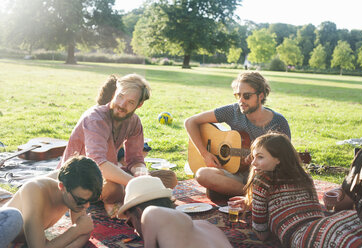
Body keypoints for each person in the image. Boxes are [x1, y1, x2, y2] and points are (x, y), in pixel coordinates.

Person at [56, 74, 177, 217]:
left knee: (170, 178)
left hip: (110, 173)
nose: (121, 105)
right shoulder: (95, 118)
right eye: (120, 96)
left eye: (130, 102)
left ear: (139, 105)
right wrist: (136, 183)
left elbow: (136, 159)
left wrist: (141, 172)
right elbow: (98, 164)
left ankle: (123, 198)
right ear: (114, 93)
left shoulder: (134, 122)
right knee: (115, 190)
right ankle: (121, 198)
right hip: (81, 178)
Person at [231, 132, 362, 247]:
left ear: (278, 159)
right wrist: (253, 203)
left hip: (312, 232)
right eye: (254, 157)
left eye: (260, 157)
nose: (253, 163)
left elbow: (261, 233)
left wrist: (257, 208)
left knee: (334, 233)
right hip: (322, 227)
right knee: (359, 219)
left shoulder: (262, 179)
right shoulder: (303, 176)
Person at [184, 71, 290, 200]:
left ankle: (245, 193)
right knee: (202, 174)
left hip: (263, 176)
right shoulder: (233, 111)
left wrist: (259, 162)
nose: (241, 101)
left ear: (260, 96)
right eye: (237, 95)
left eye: (246, 96)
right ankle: (253, 196)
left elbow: (284, 162)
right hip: (235, 173)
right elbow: (190, 122)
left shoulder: (278, 123)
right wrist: (205, 154)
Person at [4, 155, 103, 248]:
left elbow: (84, 232)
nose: (86, 206)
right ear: (62, 187)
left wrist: (79, 230)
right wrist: (76, 230)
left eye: (90, 200)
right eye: (81, 201)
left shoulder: (74, 188)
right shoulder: (34, 190)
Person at [116, 176, 232, 248]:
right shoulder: (207, 226)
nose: (135, 231)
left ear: (139, 211)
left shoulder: (150, 213)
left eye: (130, 222)